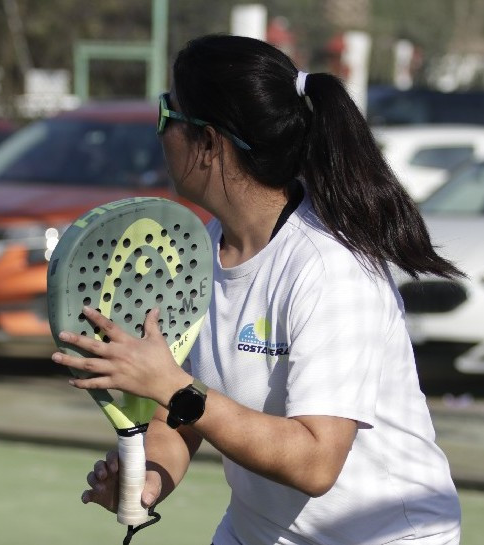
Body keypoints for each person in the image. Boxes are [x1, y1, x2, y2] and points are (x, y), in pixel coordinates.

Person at [52, 34, 462, 545]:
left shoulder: (331, 269)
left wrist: (173, 387)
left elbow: (315, 461)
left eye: (166, 113)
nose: (159, 132)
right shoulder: (201, 248)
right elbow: (178, 418)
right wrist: (148, 480)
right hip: (254, 533)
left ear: (209, 143)